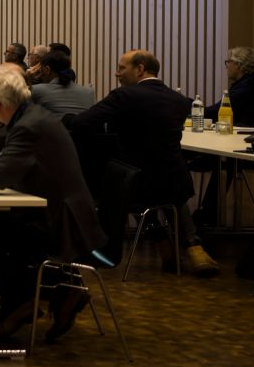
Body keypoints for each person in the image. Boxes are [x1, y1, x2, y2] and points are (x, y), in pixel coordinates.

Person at [0, 68, 107, 340]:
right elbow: (8, 170)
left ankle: (27, 303)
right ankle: (50, 295)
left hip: (60, 220)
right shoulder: (30, 117)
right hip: (55, 209)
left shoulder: (27, 126)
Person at [67, 49, 219, 276]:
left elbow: (82, 122)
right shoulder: (179, 100)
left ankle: (162, 243)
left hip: (136, 180)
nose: (117, 73)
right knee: (173, 197)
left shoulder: (124, 96)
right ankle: (194, 248)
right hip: (175, 176)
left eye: (121, 68)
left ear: (139, 69)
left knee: (131, 192)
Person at [214, 46, 254, 131]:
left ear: (238, 65)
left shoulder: (246, 87)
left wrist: (192, 107)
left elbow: (216, 112)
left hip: (246, 139)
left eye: (228, 62)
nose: (226, 67)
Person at [30, 48, 95, 117]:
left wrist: (26, 78)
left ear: (47, 70)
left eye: (40, 70)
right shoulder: (89, 92)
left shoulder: (36, 90)